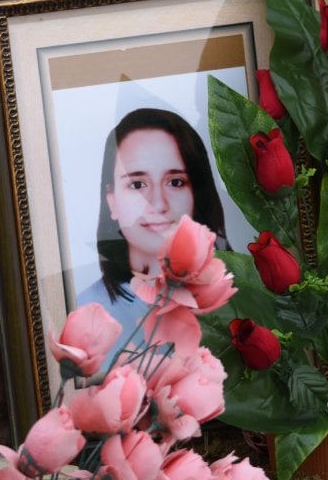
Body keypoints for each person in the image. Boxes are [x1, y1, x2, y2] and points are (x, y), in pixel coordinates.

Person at [76, 107, 227, 358]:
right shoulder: (79, 315)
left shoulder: (245, 296)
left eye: (176, 182)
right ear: (112, 201)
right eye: (137, 184)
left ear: (196, 195)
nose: (158, 204)